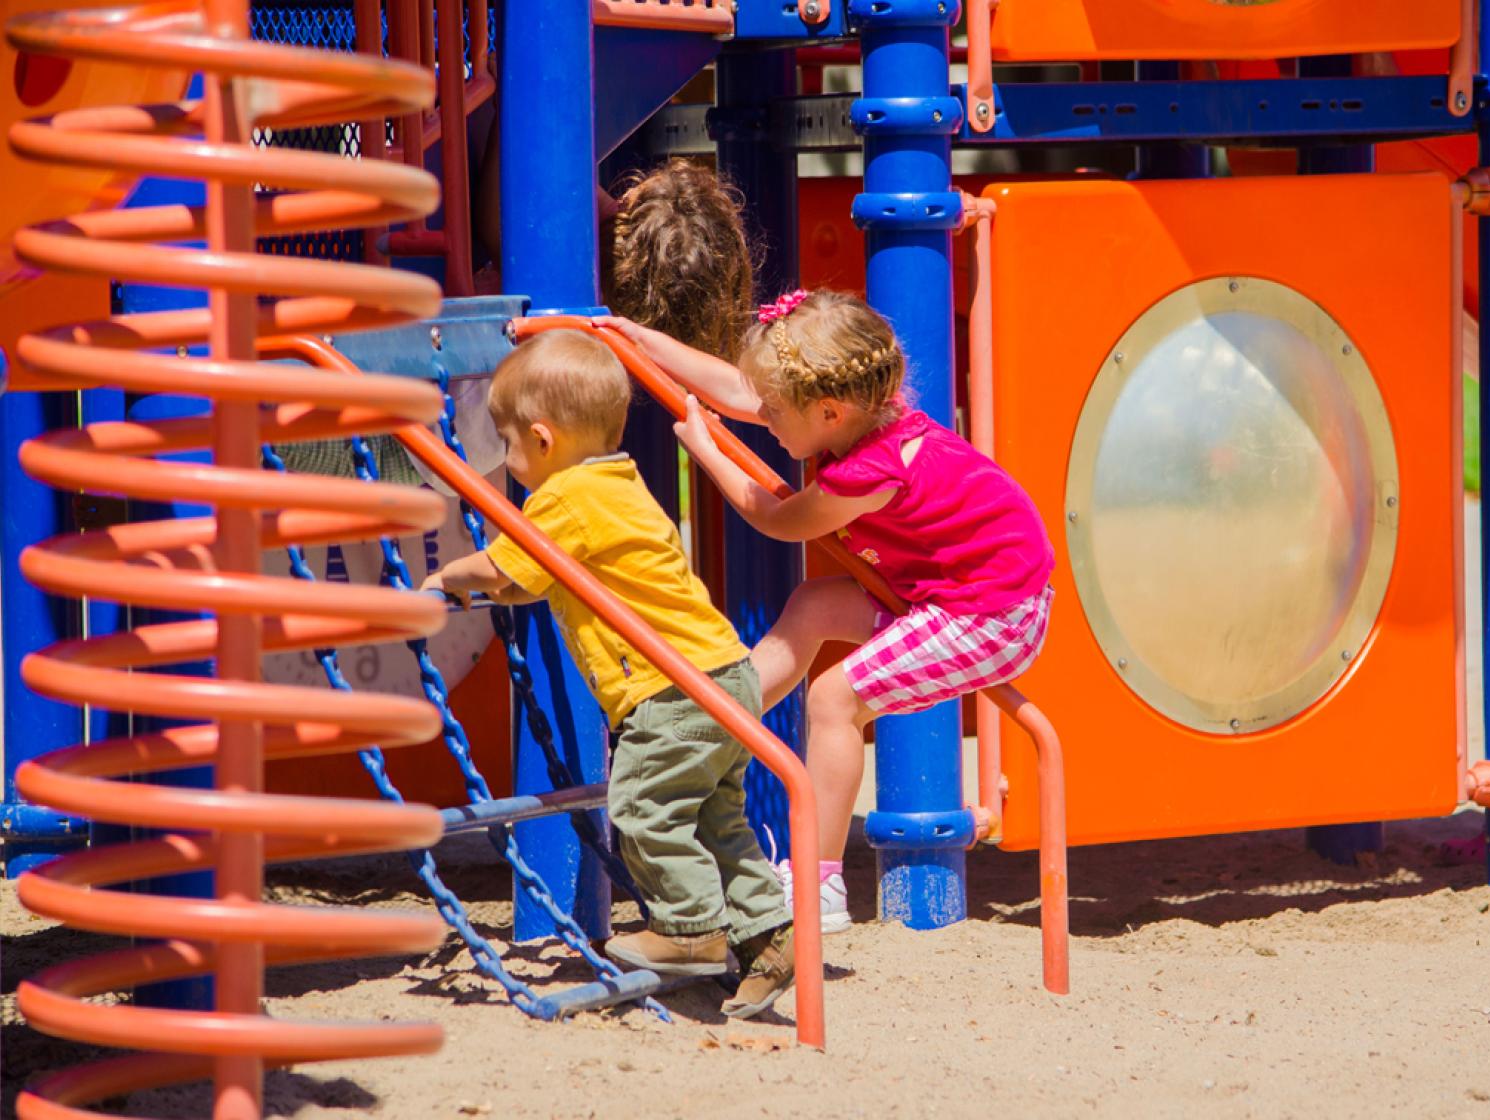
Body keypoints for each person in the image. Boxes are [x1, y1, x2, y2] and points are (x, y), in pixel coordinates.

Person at [594, 288, 1055, 933]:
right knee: (812, 605)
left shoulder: (869, 472)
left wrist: (707, 450)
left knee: (836, 698)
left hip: (993, 613)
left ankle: (821, 883)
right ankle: (714, 720)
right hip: (948, 593)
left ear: (830, 411)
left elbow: (777, 520)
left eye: (776, 412)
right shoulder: (864, 420)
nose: (766, 419)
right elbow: (737, 387)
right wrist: (637, 336)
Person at [421, 329, 794, 1018]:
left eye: (506, 443)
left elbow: (507, 566)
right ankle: (767, 934)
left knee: (642, 807)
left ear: (541, 439)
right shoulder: (616, 480)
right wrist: (494, 588)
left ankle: (691, 930)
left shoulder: (560, 500)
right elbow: (534, 580)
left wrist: (448, 576)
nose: (509, 461)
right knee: (718, 819)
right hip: (723, 672)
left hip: (667, 691)